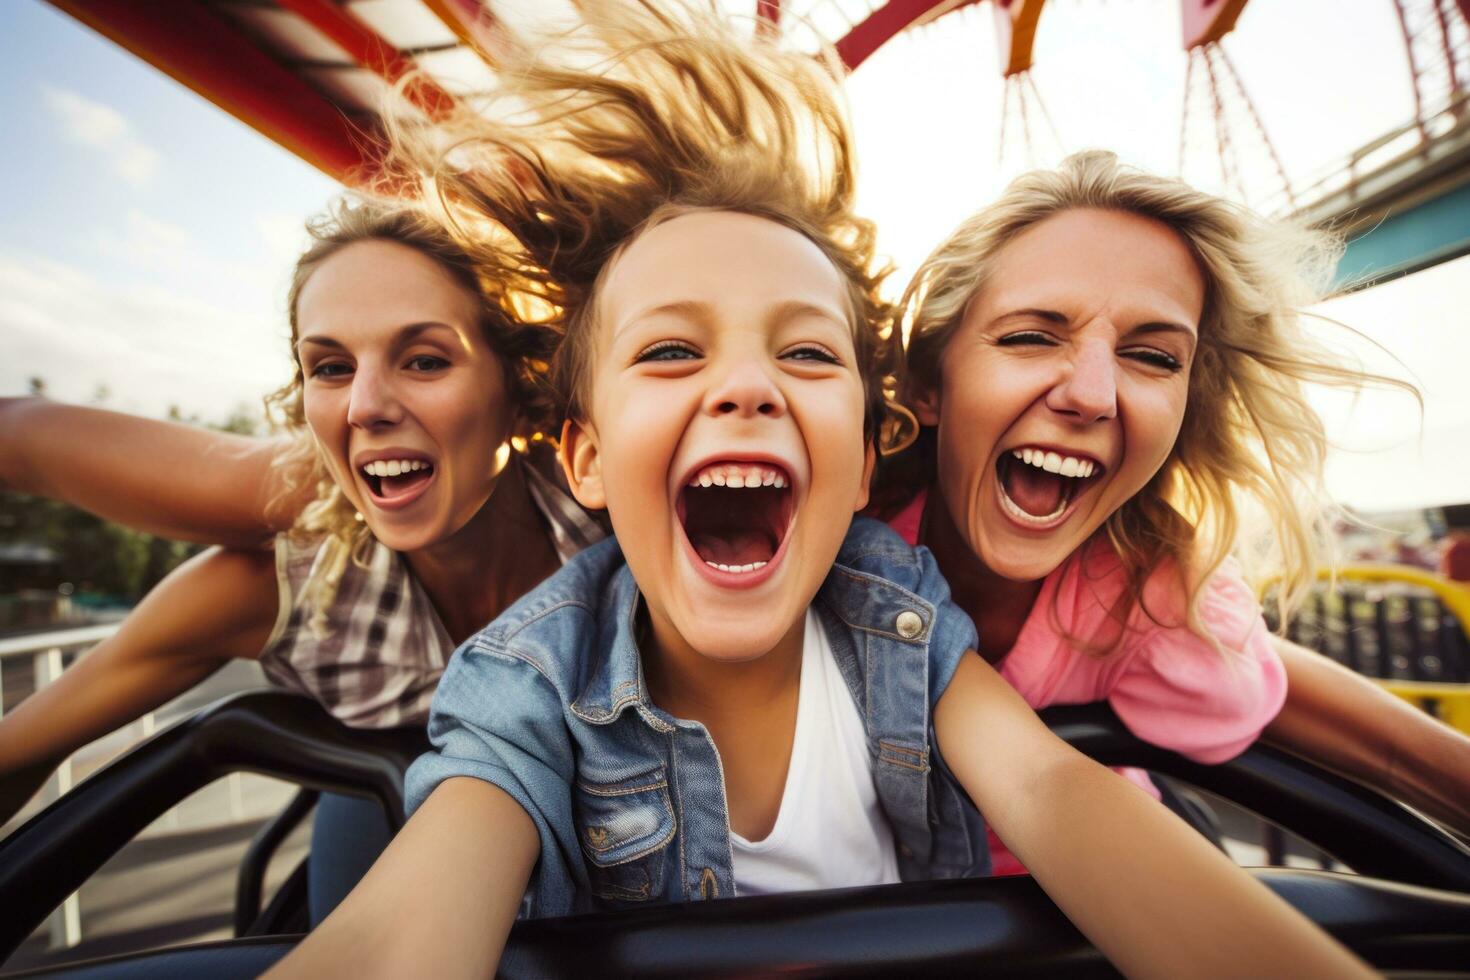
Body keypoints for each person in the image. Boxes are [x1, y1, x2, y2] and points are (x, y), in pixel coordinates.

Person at [270, 5, 1370, 977]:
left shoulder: (898, 615)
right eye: (669, 354)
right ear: (586, 457)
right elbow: (419, 905)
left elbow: (1052, 793)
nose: (746, 383)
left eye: (804, 355)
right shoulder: (527, 684)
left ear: (859, 459)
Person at [0, 199, 603, 922]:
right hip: (402, 829)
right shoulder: (297, 593)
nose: (365, 406)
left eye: (425, 360)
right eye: (330, 367)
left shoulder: (612, 511)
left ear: (516, 388)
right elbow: (20, 749)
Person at [884, 151, 1470, 872]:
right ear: (926, 386)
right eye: (1031, 337)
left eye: (1154, 358)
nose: (1092, 394)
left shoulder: (1149, 599)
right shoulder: (827, 544)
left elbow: (1376, 745)